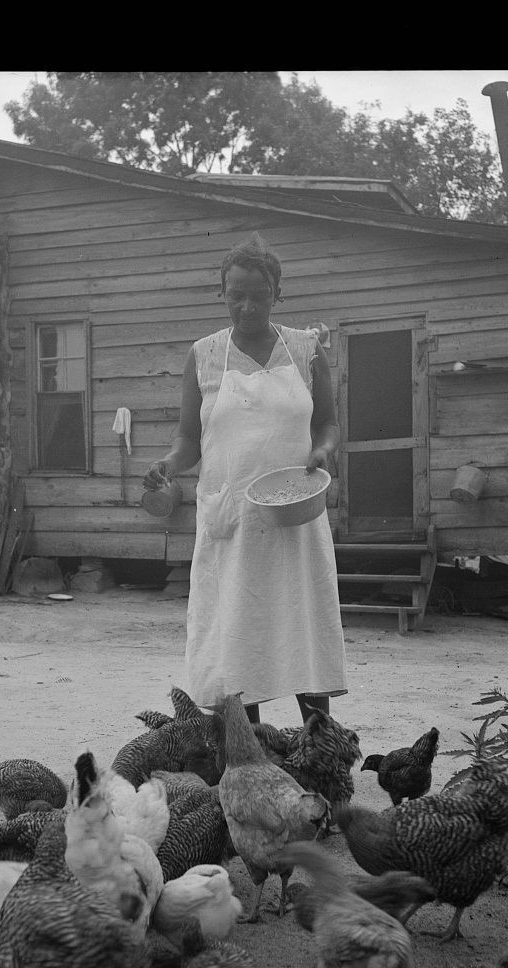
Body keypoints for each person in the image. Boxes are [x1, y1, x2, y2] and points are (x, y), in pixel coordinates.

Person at [144, 233, 348, 725]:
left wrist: (322, 451)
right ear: (223, 292)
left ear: (277, 292)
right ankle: (247, 747)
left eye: (258, 294)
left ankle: (318, 740)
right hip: (232, 515)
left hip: (294, 511)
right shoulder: (204, 356)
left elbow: (328, 424)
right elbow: (189, 438)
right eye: (236, 295)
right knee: (238, 627)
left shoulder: (306, 350)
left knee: (301, 621)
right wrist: (169, 465)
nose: (247, 306)